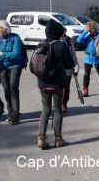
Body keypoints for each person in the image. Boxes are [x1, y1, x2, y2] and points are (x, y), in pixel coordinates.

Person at [37, 19, 74, 149]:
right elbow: (70, 64)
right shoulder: (61, 45)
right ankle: (58, 139)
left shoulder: (40, 44)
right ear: (58, 32)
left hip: (42, 82)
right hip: (57, 83)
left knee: (45, 109)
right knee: (57, 110)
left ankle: (41, 138)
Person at [0, 20, 27, 125]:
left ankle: (16, 114)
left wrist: (3, 54)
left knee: (13, 87)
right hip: (3, 66)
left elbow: (16, 54)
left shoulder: (15, 38)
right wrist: (7, 54)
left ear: (4, 29)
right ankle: (10, 112)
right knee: (6, 89)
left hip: (15, 66)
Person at [77, 21, 99, 103]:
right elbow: (79, 40)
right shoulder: (87, 35)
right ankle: (85, 89)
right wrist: (85, 32)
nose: (90, 30)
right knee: (86, 74)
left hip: (97, 57)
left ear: (94, 28)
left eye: (91, 28)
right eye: (88, 28)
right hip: (88, 57)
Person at [60, 27, 79, 112]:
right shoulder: (54, 40)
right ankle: (58, 103)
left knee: (66, 87)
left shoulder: (69, 40)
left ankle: (64, 103)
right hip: (58, 68)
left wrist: (76, 65)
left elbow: (73, 54)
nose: (62, 33)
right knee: (58, 87)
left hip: (68, 67)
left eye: (63, 31)